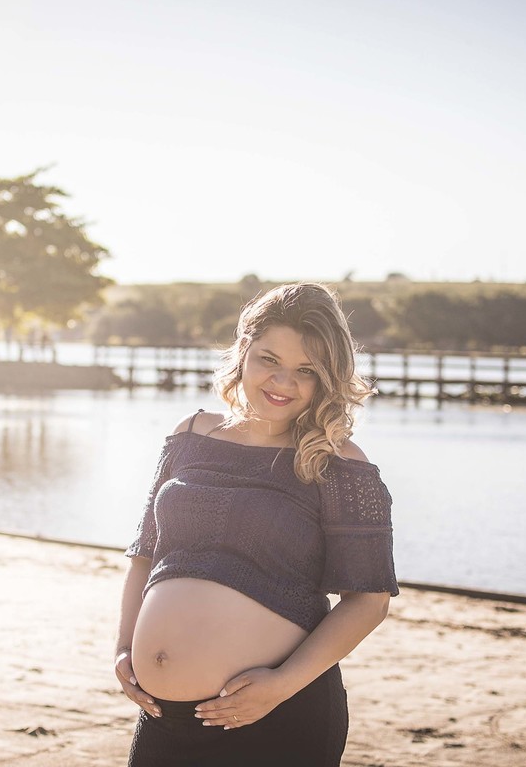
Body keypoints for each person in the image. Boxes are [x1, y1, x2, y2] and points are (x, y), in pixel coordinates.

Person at [115, 282, 400, 767]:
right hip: (163, 715)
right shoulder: (190, 434)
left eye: (306, 371)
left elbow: (368, 602)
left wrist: (280, 687)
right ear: (244, 351)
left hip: (274, 715)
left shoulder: (341, 464)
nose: (282, 383)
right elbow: (146, 553)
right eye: (270, 360)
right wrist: (125, 647)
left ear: (327, 378)